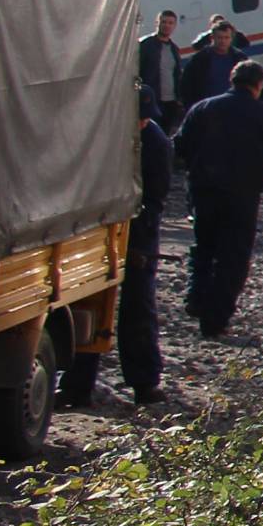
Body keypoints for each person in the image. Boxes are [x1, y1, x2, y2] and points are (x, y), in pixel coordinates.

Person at [60, 88, 170, 408]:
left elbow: (154, 200)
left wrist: (133, 244)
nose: (140, 123)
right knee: (88, 306)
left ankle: (144, 383)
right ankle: (77, 385)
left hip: (138, 233)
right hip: (98, 229)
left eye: (144, 119)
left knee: (137, 310)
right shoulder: (103, 138)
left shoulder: (156, 144)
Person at [174, 59, 263, 338]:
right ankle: (216, 319)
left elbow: (180, 145)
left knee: (204, 247)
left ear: (232, 79)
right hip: (243, 193)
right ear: (257, 85)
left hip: (204, 189)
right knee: (233, 257)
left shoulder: (203, 108)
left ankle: (197, 296)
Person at [179, 16, 242, 111]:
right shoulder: (199, 59)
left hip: (234, 108)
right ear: (212, 38)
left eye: (226, 37)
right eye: (220, 38)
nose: (223, 41)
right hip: (208, 110)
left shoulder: (239, 58)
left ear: (231, 39)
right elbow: (186, 86)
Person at [138, 8, 184, 131]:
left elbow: (177, 74)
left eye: (170, 23)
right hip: (152, 100)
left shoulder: (174, 48)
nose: (167, 26)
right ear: (157, 23)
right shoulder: (145, 45)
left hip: (171, 101)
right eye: (164, 22)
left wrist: (179, 98)